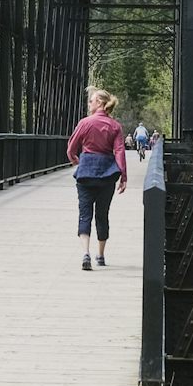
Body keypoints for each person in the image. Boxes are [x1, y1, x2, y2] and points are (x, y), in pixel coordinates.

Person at [67, 87, 127, 271]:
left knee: (85, 213)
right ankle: (100, 255)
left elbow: (71, 148)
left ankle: (85, 253)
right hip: (106, 175)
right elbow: (119, 151)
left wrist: (77, 160)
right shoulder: (115, 126)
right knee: (102, 215)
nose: (89, 103)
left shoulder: (85, 123)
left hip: (85, 173)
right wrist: (123, 175)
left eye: (91, 100)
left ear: (99, 103)